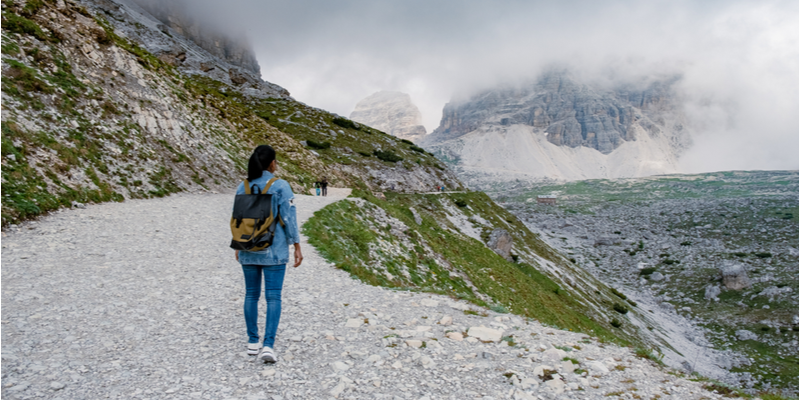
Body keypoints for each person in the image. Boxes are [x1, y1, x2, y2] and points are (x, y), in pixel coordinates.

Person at [233, 145, 303, 363]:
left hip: (247, 248)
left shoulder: (242, 187)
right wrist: (297, 245)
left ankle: (252, 342)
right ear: (272, 163)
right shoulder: (280, 186)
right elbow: (288, 218)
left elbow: (237, 220)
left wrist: (238, 246)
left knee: (251, 294)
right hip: (274, 249)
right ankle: (268, 345)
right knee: (273, 297)